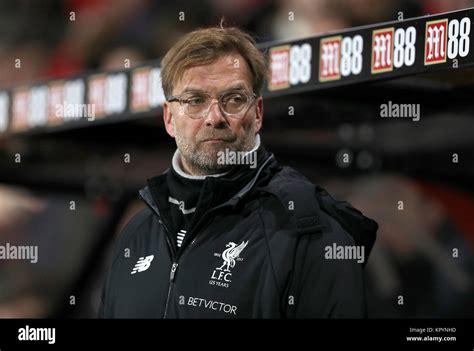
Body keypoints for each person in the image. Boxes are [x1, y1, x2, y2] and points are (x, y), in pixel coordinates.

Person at [99, 24, 378, 318]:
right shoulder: (135, 234)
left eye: (233, 99)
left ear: (257, 113)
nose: (215, 118)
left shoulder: (310, 233)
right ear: (169, 118)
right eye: (195, 101)